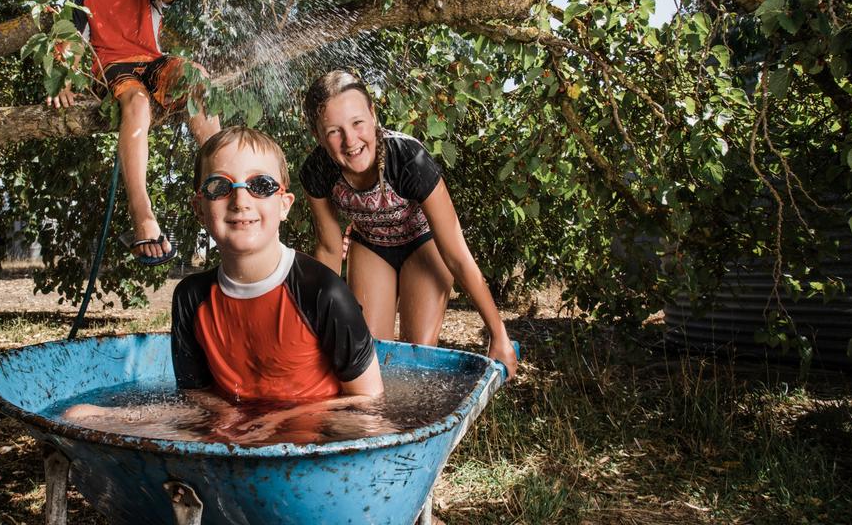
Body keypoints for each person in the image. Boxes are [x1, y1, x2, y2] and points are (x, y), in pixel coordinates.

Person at [63, 126, 389, 444]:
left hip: (315, 433)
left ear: (284, 204)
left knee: (372, 427)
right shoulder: (192, 297)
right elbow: (195, 394)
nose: (240, 200)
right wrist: (231, 417)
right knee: (78, 415)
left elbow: (368, 400)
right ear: (199, 210)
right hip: (233, 427)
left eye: (260, 184)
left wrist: (277, 420)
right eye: (220, 186)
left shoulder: (321, 291)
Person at [299, 70, 519, 375]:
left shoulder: (408, 158)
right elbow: (328, 248)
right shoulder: (316, 170)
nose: (350, 140)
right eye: (334, 131)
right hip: (371, 247)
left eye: (357, 123)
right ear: (318, 136)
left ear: (373, 115)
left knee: (416, 358)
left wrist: (498, 333)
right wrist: (313, 327)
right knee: (369, 359)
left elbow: (456, 253)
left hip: (422, 245)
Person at [47, 0, 220, 265]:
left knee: (197, 77)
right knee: (137, 103)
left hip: (154, 62)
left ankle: (220, 173)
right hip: (115, 69)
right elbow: (75, 43)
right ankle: (141, 211)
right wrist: (66, 80)